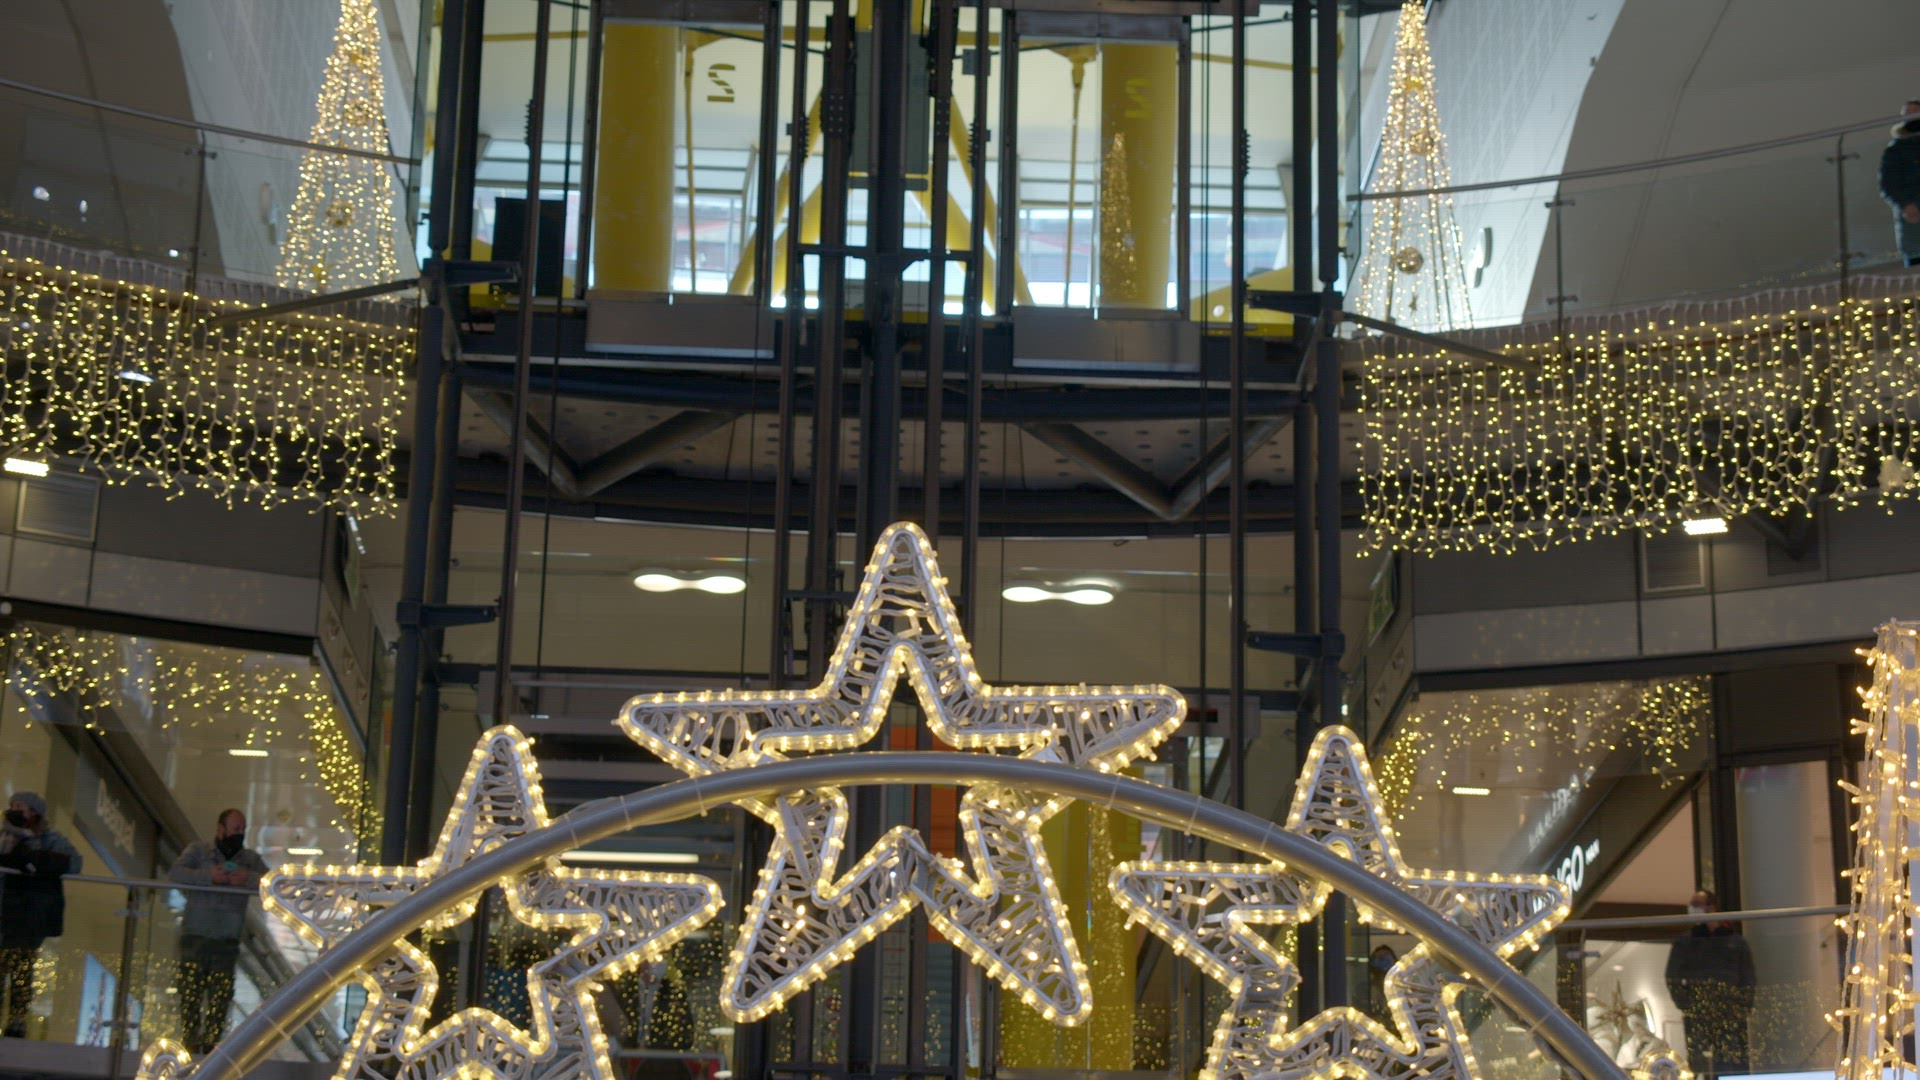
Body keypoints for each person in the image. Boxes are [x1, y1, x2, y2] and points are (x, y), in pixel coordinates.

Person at [167, 809, 266, 1054]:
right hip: (196, 934)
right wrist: (209, 876)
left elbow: (272, 882)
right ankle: (191, 1040)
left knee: (220, 994)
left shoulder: (250, 860)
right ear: (220, 829)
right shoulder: (199, 851)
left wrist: (247, 879)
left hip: (227, 938)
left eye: (242, 830)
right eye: (235, 829)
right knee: (191, 991)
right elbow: (176, 874)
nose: (239, 834)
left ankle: (211, 1044)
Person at [0, 791, 80, 1039]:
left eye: (21, 806)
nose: (16, 810)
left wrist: (31, 853)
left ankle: (17, 1022)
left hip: (30, 915)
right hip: (5, 912)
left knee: (21, 967)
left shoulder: (50, 839)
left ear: (35, 812)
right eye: (13, 806)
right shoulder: (4, 836)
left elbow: (74, 863)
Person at [1663, 890, 1756, 1078]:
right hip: (1699, 1012)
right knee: (1700, 1062)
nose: (1692, 909)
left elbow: (1748, 978)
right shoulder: (1686, 942)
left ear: (1711, 908)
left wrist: (1741, 1007)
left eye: (1697, 904)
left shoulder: (1734, 942)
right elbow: (1672, 977)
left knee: (1730, 1061)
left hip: (1728, 1013)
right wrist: (1688, 1005)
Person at [1878, 100, 1920, 267]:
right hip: (1914, 220)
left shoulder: (1895, 150)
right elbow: (1888, 184)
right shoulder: (1895, 151)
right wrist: (1906, 205)